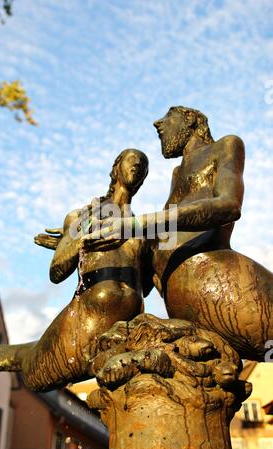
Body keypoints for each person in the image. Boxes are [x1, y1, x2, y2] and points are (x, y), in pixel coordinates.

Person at [83, 106, 273, 361]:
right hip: (185, 304)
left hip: (223, 284)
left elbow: (228, 205)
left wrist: (137, 225)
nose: (157, 123)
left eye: (168, 116)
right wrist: (78, 241)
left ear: (191, 120)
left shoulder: (226, 145)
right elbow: (164, 236)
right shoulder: (177, 173)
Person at [0, 148, 150, 391]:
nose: (138, 164)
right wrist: (81, 239)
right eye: (132, 159)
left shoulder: (142, 229)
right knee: (34, 369)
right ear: (116, 168)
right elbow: (57, 271)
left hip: (124, 329)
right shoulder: (84, 216)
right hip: (83, 325)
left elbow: (148, 283)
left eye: (144, 164)